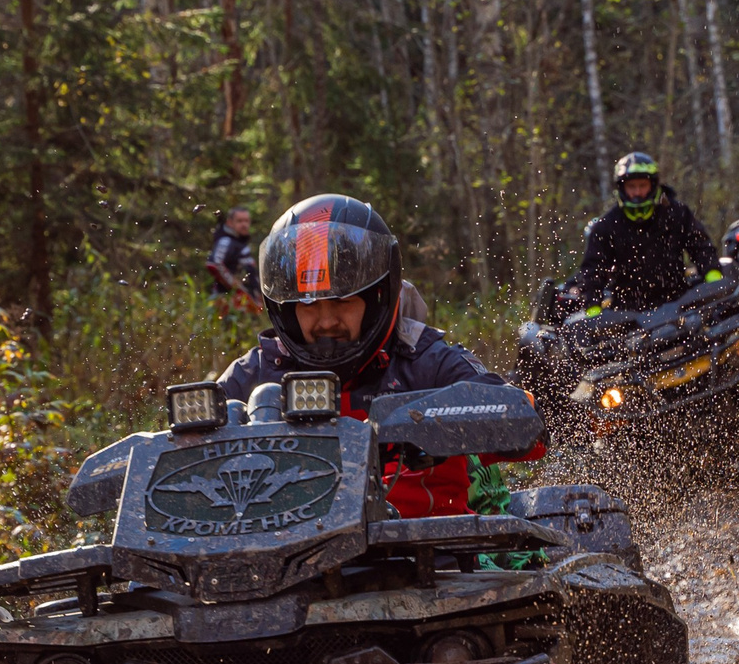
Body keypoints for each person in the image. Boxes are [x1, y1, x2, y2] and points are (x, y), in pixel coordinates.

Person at [218, 193, 543, 517]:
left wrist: (433, 421)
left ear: (376, 297)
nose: (327, 321)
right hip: (286, 560)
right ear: (286, 309)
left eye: (343, 302)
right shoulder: (254, 372)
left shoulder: (428, 361)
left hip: (423, 555)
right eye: (309, 305)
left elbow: (531, 432)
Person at [571, 152, 719, 312]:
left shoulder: (676, 213)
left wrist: (714, 280)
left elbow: (701, 247)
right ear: (622, 187)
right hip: (627, 314)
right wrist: (593, 309)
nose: (637, 192)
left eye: (642, 185)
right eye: (631, 186)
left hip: (678, 304)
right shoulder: (606, 226)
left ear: (653, 185)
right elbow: (593, 270)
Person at [207, 206, 256, 297]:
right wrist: (236, 287)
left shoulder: (239, 242)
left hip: (244, 302)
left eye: (246, 221)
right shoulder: (225, 241)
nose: (244, 225)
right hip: (225, 299)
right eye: (239, 221)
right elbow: (214, 264)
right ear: (230, 223)